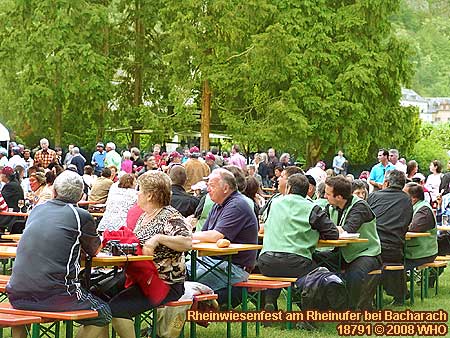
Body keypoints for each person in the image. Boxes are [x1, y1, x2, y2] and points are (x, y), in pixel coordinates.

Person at [6, 170, 112, 338]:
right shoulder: (80, 215)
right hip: (56, 293)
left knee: (23, 314)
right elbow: (95, 250)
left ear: (54, 191)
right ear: (80, 196)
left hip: (16, 292)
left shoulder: (36, 210)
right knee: (103, 313)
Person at [108, 171, 192, 338]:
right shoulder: (144, 216)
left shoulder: (170, 216)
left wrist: (158, 238)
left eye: (140, 189)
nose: (136, 193)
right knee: (98, 296)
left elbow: (187, 242)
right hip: (141, 278)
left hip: (164, 283)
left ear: (150, 195)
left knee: (117, 309)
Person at [259, 174, 339, 309]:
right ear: (308, 190)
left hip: (266, 262)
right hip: (296, 262)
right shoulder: (312, 208)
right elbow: (333, 234)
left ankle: (270, 300)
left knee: (280, 271)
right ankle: (308, 310)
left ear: (288, 188)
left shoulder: (274, 203)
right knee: (318, 274)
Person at [189, 169, 258, 292]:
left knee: (188, 282)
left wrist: (186, 235)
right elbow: (204, 234)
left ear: (225, 188)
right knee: (178, 274)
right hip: (211, 261)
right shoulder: (218, 205)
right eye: (207, 185)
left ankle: (194, 309)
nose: (208, 189)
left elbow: (216, 236)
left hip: (233, 268)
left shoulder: (237, 205)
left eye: (212, 186)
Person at [322, 175, 382, 309]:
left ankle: (351, 309)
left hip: (366, 253)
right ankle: (323, 303)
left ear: (338, 197)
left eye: (327, 194)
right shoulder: (331, 207)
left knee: (354, 275)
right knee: (310, 260)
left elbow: (347, 231)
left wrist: (326, 228)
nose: (325, 196)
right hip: (342, 252)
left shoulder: (360, 206)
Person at [368, 169, 413, 305]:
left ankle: (370, 296)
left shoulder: (374, 196)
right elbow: (407, 223)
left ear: (386, 182)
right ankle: (400, 294)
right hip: (395, 251)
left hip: (372, 248)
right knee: (398, 257)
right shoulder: (406, 200)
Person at [403, 182, 438, 269]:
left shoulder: (424, 210)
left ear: (413, 198)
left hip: (422, 254)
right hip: (411, 252)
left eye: (404, 195)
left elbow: (412, 228)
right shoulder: (412, 207)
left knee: (394, 268)